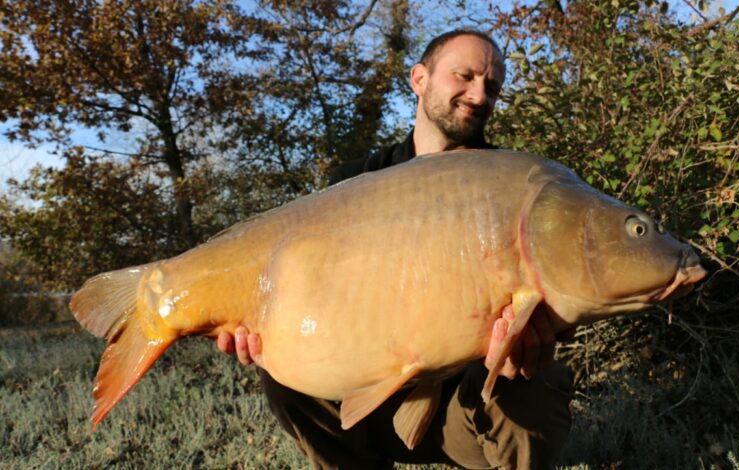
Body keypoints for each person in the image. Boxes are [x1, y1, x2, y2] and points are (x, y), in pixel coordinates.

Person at [217, 29, 574, 469]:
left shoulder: (507, 186)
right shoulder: (355, 181)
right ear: (419, 79)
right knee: (282, 378)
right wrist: (262, 328)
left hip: (463, 411)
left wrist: (524, 346)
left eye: (492, 86)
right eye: (464, 76)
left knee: (533, 379)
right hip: (368, 404)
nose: (479, 95)